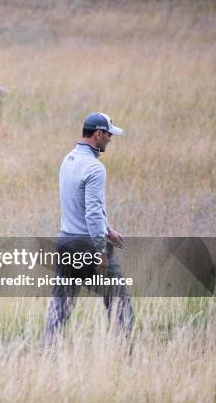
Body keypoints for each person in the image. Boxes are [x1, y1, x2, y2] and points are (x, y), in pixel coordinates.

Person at [44, 112, 134, 346]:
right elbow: (92, 212)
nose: (110, 140)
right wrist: (100, 251)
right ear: (98, 134)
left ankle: (48, 351)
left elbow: (77, 206)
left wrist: (108, 230)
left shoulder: (69, 160)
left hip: (66, 241)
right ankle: (127, 357)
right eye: (109, 135)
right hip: (87, 245)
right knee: (119, 302)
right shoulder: (95, 168)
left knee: (60, 306)